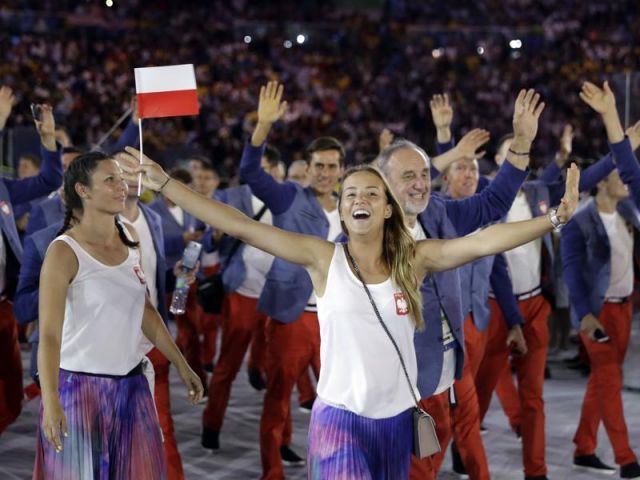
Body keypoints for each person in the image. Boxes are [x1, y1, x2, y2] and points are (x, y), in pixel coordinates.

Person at [117, 120, 579, 477]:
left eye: (371, 193)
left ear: (387, 207)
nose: (360, 198)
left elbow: (485, 241)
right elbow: (240, 225)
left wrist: (555, 220)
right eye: (351, 193)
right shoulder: (323, 259)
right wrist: (165, 185)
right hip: (338, 424)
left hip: (398, 424)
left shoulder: (414, 259)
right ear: (342, 209)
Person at [34, 152, 204, 479]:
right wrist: (51, 399)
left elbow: (145, 310)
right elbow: (50, 335)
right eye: (109, 179)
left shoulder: (129, 236)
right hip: (79, 391)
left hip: (132, 386)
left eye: (120, 178)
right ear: (82, 190)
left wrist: (182, 364)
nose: (121, 185)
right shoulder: (63, 251)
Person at [562, 81, 640, 479]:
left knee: (602, 382)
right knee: (609, 383)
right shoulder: (580, 223)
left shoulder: (630, 215)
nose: (624, 179)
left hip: (625, 309)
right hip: (600, 314)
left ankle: (583, 447)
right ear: (601, 180)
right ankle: (628, 459)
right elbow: (572, 274)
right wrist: (584, 316)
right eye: (615, 173)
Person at [0, 91, 64, 435]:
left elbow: (49, 181)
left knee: (10, 394)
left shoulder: (3, 188)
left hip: (3, 307)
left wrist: (48, 139)